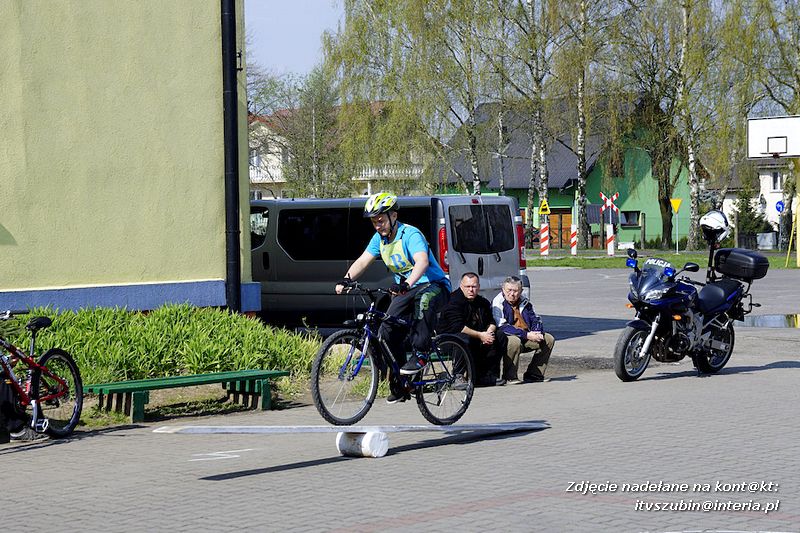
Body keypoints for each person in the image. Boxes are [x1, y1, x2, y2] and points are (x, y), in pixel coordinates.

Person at [335, 192, 451, 403]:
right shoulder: (378, 240)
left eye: (380, 220)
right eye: (373, 222)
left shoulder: (410, 234)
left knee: (423, 302)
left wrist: (407, 283)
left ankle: (421, 355)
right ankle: (401, 382)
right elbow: (362, 261)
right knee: (387, 330)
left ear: (393, 216)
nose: (377, 225)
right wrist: (345, 279)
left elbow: (422, 262)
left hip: (433, 285)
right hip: (406, 289)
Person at [438, 272, 509, 387]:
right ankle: (458, 376)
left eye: (474, 286)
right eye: (467, 287)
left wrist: (489, 332)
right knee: (463, 338)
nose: (471, 290)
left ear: (479, 287)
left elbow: (491, 321)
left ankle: (487, 375)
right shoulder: (453, 301)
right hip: (450, 340)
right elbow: (459, 327)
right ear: (461, 286)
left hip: (476, 337)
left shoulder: (482, 302)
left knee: (500, 336)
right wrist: (481, 335)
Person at [492, 276, 555, 383]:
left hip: (526, 335)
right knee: (514, 342)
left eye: (516, 291)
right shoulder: (497, 303)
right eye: (509, 290)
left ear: (521, 291)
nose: (512, 294)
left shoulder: (524, 301)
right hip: (508, 337)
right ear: (503, 289)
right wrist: (527, 335)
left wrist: (537, 332)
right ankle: (509, 377)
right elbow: (502, 326)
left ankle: (534, 374)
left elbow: (536, 319)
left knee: (548, 339)